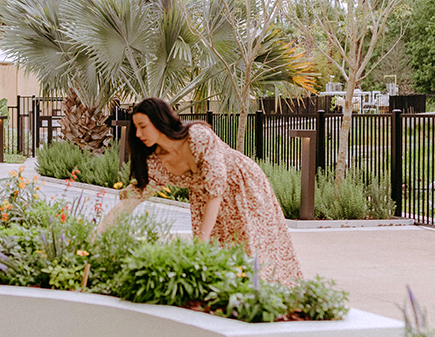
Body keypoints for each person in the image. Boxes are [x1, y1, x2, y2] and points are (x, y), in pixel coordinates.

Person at [100, 97, 304, 285]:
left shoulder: (197, 136)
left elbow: (216, 191)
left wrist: (200, 243)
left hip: (242, 187)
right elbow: (130, 202)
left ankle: (276, 298)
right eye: (136, 128)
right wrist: (96, 237)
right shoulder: (155, 162)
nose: (138, 134)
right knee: (219, 260)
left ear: (159, 121)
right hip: (206, 201)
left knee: (255, 249)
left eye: (143, 126)